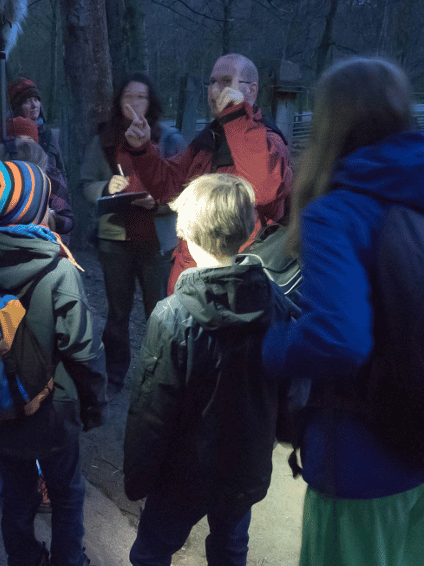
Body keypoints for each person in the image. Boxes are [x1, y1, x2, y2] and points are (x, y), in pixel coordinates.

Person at [261, 56, 424, 566]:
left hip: (363, 461)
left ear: (329, 122)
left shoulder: (336, 213)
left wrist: (268, 346)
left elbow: (340, 338)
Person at [122, 173, 287, 566]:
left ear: (186, 233)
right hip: (245, 463)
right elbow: (285, 381)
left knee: (151, 551)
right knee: (231, 546)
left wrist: (138, 474)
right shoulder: (275, 299)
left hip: (183, 472)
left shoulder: (173, 315)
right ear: (248, 229)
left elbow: (151, 406)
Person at [0, 160, 107, 566]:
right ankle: (69, 560)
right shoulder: (59, 269)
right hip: (54, 410)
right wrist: (94, 405)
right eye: (45, 201)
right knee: (67, 494)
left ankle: (25, 558)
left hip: (1, 410)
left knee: (17, 496)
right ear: (32, 210)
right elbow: (83, 349)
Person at [121, 54, 292, 293]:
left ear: (251, 90)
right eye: (211, 82)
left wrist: (235, 116)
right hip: (189, 279)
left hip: (237, 285)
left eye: (225, 81)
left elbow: (263, 192)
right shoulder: (208, 140)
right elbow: (168, 188)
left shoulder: (270, 141)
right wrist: (141, 149)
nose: (214, 91)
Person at [79, 74, 185, 391]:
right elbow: (85, 185)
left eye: (141, 97)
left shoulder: (168, 140)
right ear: (119, 103)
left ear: (150, 102)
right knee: (117, 315)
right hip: (116, 243)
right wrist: (104, 187)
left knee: (161, 314)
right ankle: (115, 375)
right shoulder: (104, 140)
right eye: (128, 97)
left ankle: (162, 377)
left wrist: (162, 201)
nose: (134, 103)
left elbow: (186, 189)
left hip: (157, 244)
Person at [0, 119, 75, 239]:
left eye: (29, 142)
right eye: (19, 140)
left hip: (43, 243)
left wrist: (48, 217)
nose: (25, 148)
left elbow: (67, 221)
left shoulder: (51, 175)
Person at [0, 76, 66, 179]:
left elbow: (61, 171)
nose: (34, 105)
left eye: (36, 100)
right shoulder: (3, 136)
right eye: (27, 101)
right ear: (17, 107)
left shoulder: (48, 135)